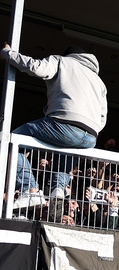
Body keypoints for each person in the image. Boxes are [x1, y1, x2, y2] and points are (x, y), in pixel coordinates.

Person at [1, 44, 107, 220]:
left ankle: (29, 189)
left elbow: (36, 67)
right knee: (62, 160)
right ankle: (58, 191)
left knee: (14, 140)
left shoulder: (62, 62)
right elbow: (103, 117)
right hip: (90, 137)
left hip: (64, 123)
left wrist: (9, 54)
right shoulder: (99, 82)